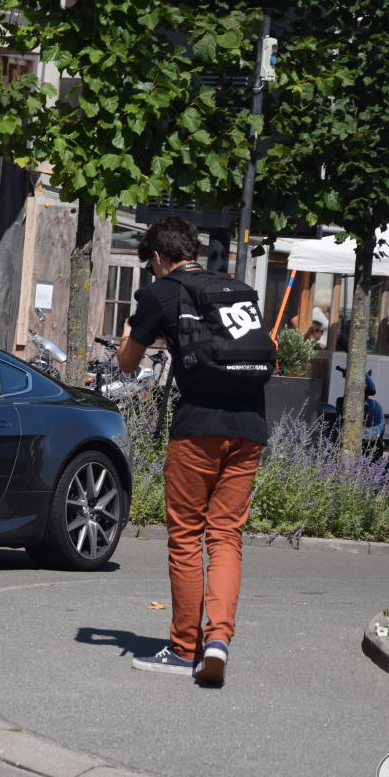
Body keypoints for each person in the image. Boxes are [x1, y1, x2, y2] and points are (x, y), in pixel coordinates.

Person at [116, 216, 267, 686]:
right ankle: (217, 641)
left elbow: (127, 361)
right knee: (226, 537)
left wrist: (133, 327)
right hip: (249, 426)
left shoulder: (161, 292)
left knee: (185, 537)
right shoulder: (236, 288)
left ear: (159, 256)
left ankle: (184, 648)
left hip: (198, 426)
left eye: (150, 264)